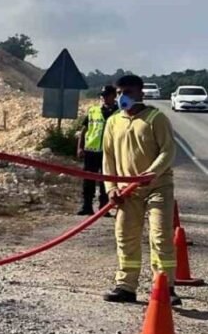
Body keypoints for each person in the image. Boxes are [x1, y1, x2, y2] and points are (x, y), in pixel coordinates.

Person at [101, 74, 180, 306]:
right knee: (125, 236)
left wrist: (152, 173)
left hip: (158, 187)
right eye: (119, 93)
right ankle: (125, 286)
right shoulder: (113, 122)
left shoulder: (156, 119)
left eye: (128, 92)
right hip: (127, 190)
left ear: (140, 94)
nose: (123, 97)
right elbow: (109, 158)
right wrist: (111, 188)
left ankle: (165, 287)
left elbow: (168, 151)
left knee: (160, 235)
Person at [75, 85, 118, 216]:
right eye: (102, 96)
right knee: (88, 181)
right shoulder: (93, 111)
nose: (104, 98)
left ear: (114, 96)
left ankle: (104, 208)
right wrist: (80, 147)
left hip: (109, 153)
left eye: (107, 95)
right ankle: (86, 206)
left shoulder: (120, 113)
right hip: (91, 151)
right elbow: (84, 130)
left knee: (106, 181)